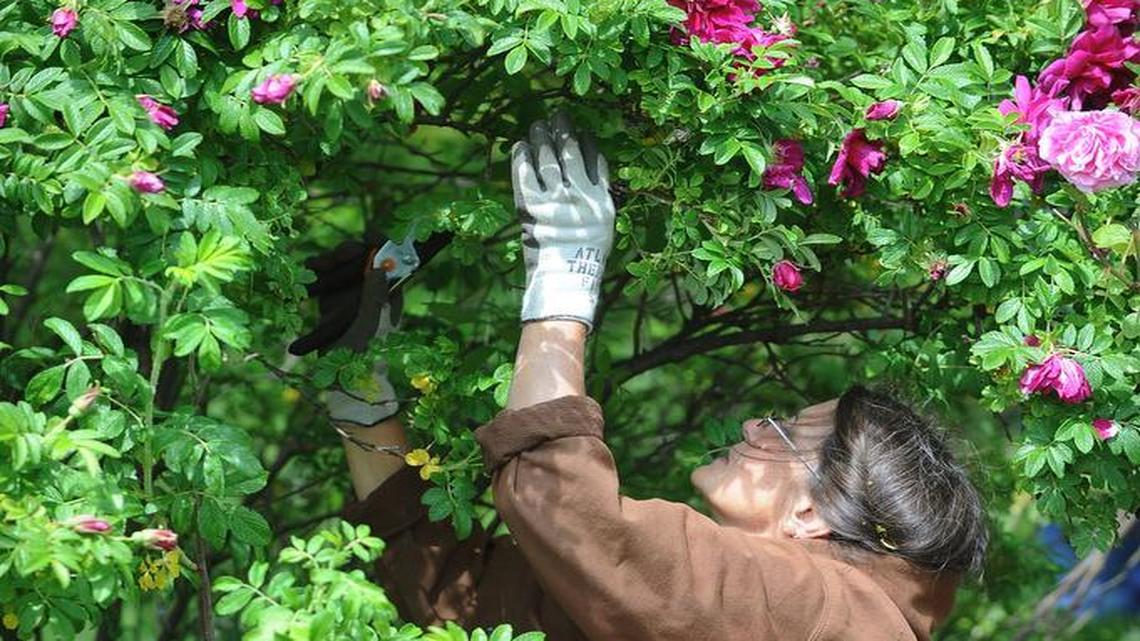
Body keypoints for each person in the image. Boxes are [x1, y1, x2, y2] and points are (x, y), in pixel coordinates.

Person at [292, 114, 989, 641]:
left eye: (782, 431)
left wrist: (565, 276)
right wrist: (360, 389)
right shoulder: (769, 616)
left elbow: (567, 511)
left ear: (810, 515)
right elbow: (459, 597)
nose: (754, 424)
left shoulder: (826, 614)